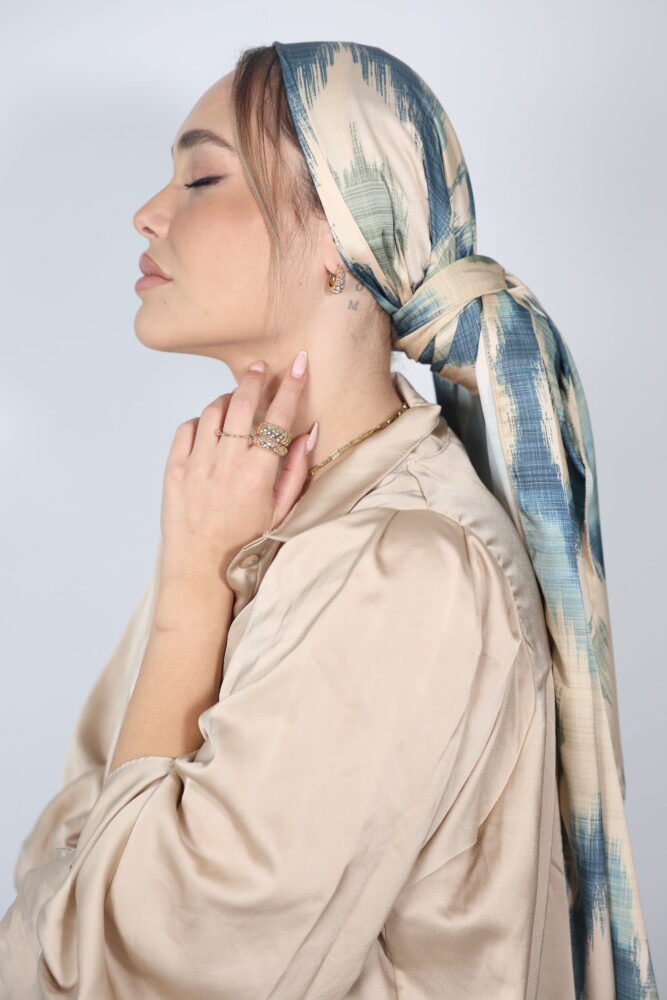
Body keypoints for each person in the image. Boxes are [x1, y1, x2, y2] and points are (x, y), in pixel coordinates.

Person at [0, 39, 658, 1000]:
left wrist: (190, 594)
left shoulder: (407, 571)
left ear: (340, 242)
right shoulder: (252, 511)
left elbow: (120, 965)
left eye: (201, 178)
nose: (147, 212)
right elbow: (63, 866)